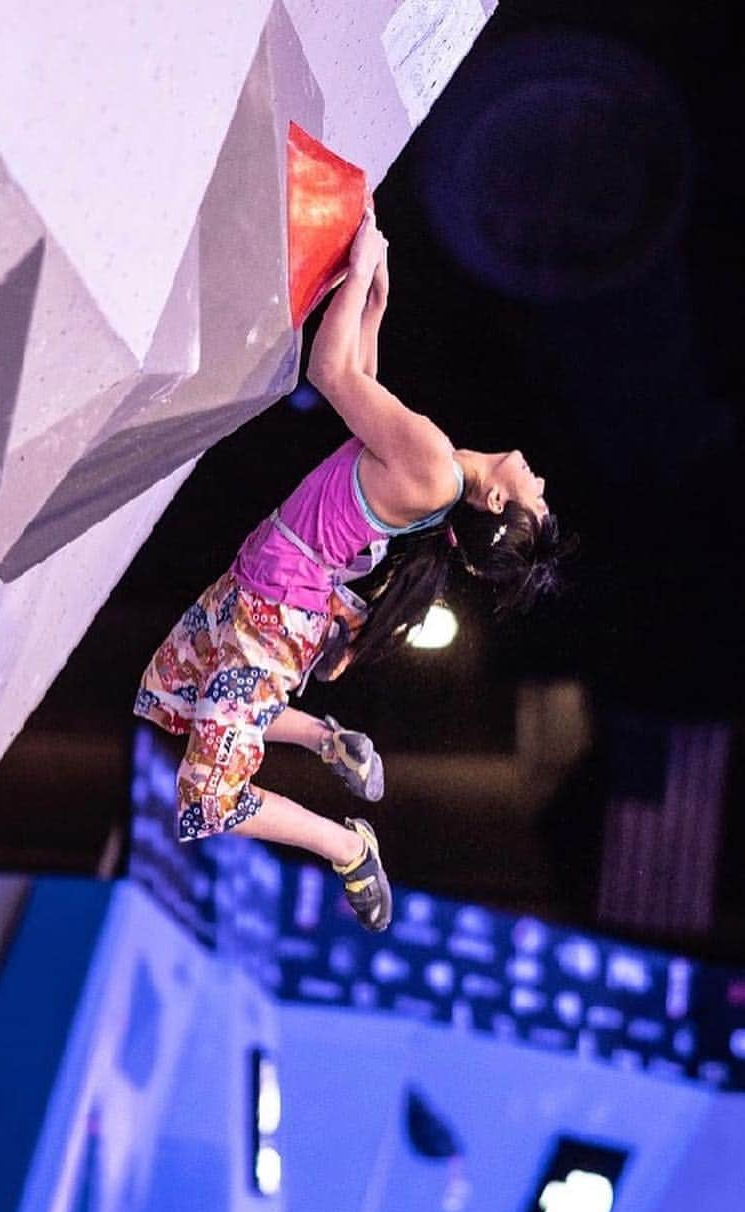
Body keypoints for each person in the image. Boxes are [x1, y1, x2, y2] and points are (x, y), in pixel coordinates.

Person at [134, 210, 570, 933]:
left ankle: (347, 846)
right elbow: (361, 391)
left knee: (210, 799)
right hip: (269, 590)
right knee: (175, 697)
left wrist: (364, 267)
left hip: (272, 613)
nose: (544, 486)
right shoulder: (438, 471)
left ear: (497, 503)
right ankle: (322, 737)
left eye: (538, 505)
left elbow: (328, 372)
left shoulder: (436, 467)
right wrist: (372, 305)